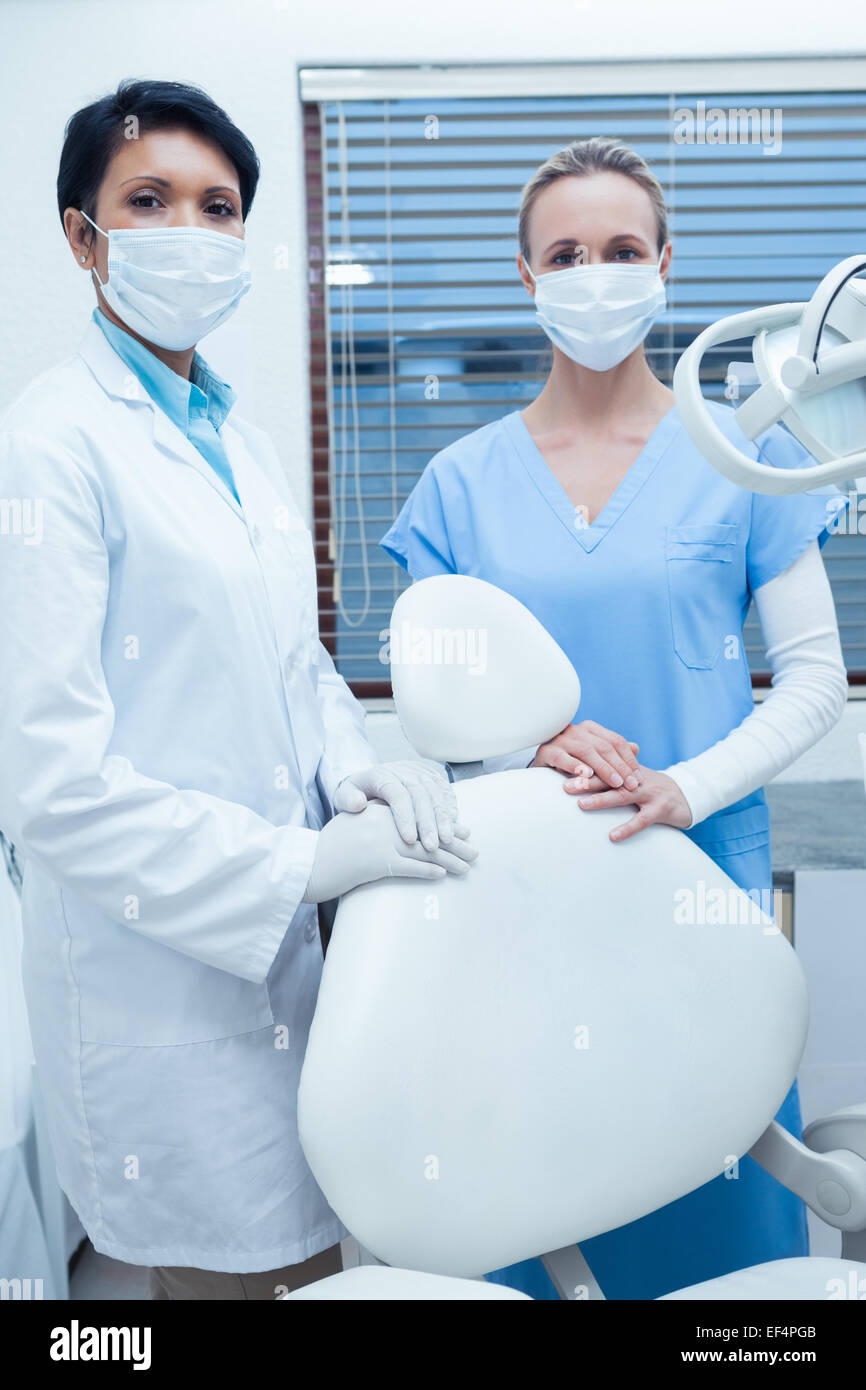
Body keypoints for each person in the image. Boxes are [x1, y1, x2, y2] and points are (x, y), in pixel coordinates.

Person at [0, 79, 478, 1302]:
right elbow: (45, 780)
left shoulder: (239, 438)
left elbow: (291, 662)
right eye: (148, 200)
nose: (191, 230)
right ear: (80, 235)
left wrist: (354, 763)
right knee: (225, 1273)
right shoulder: (49, 446)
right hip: (157, 967)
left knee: (308, 1257)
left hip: (281, 961)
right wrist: (298, 868)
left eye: (219, 206)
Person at [380, 136, 849, 1299]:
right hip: (513, 911)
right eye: (566, 252)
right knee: (541, 1207)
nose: (596, 272)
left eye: (622, 247)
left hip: (699, 897)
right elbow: (428, 718)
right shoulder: (458, 483)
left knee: (723, 1241)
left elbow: (811, 680)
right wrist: (524, 739)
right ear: (527, 276)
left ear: (664, 263)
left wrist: (685, 786)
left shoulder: (744, 457)